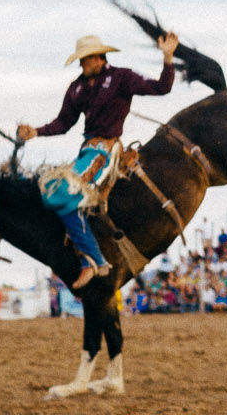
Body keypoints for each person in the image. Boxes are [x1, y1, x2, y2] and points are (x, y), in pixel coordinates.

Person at [17, 29, 178, 289]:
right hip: (88, 151)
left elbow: (161, 88)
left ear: (99, 58)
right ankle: (92, 259)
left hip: (107, 151)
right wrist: (36, 131)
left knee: (58, 194)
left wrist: (168, 58)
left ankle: (93, 259)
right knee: (52, 192)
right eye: (81, 60)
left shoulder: (121, 78)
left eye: (86, 59)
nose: (82, 64)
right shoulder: (77, 87)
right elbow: (63, 123)